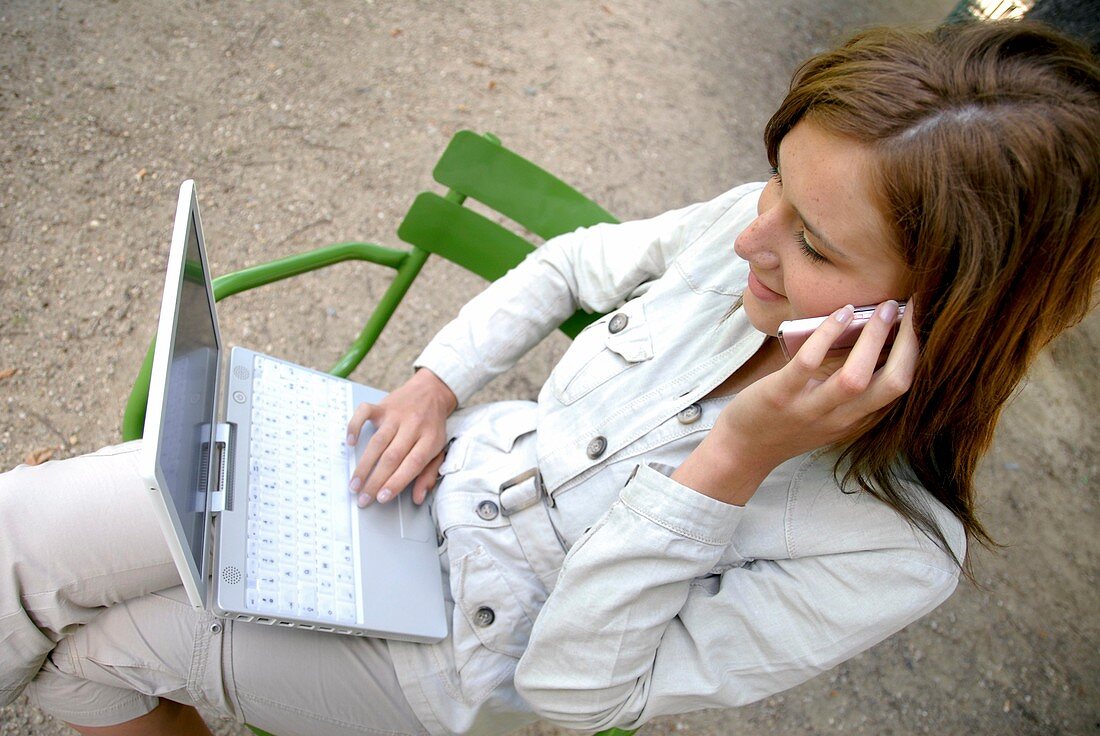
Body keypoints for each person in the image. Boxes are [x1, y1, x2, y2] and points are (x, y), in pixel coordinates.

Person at [1, 18, 1097, 736]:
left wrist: (729, 460)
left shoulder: (887, 546)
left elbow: (581, 694)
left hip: (443, 660)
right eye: (772, 184)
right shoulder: (750, 229)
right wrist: (434, 382)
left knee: (89, 661)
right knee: (23, 535)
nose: (747, 238)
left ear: (945, 309)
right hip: (407, 474)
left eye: (811, 243)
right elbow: (572, 259)